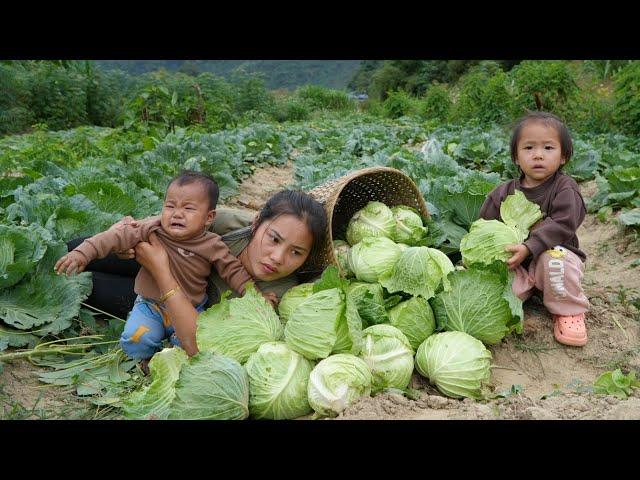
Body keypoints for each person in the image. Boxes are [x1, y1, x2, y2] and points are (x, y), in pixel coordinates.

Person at [66, 188, 328, 358]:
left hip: (166, 302)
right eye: (273, 239)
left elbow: (196, 345)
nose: (278, 257)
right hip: (152, 260)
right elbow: (159, 225)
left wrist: (161, 270)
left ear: (307, 256)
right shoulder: (228, 224)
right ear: (257, 222)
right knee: (76, 248)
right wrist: (127, 239)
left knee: (87, 287)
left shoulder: (279, 294)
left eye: (296, 252)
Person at [56, 170, 264, 361]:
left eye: (188, 208)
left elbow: (233, 271)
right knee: (136, 340)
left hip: (191, 309)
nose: (177, 213)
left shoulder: (212, 244)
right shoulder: (152, 229)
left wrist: (255, 295)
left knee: (193, 348)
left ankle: (172, 350)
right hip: (150, 305)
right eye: (170, 206)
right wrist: (82, 253)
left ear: (209, 217)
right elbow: (115, 236)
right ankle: (144, 360)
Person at [478, 111, 590, 346]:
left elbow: (564, 223)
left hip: (553, 257)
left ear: (563, 157)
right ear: (516, 157)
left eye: (548, 148)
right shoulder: (502, 193)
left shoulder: (565, 188)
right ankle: (530, 292)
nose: (538, 155)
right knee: (496, 294)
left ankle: (568, 311)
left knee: (554, 262)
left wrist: (531, 246)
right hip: (518, 265)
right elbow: (484, 228)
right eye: (528, 148)